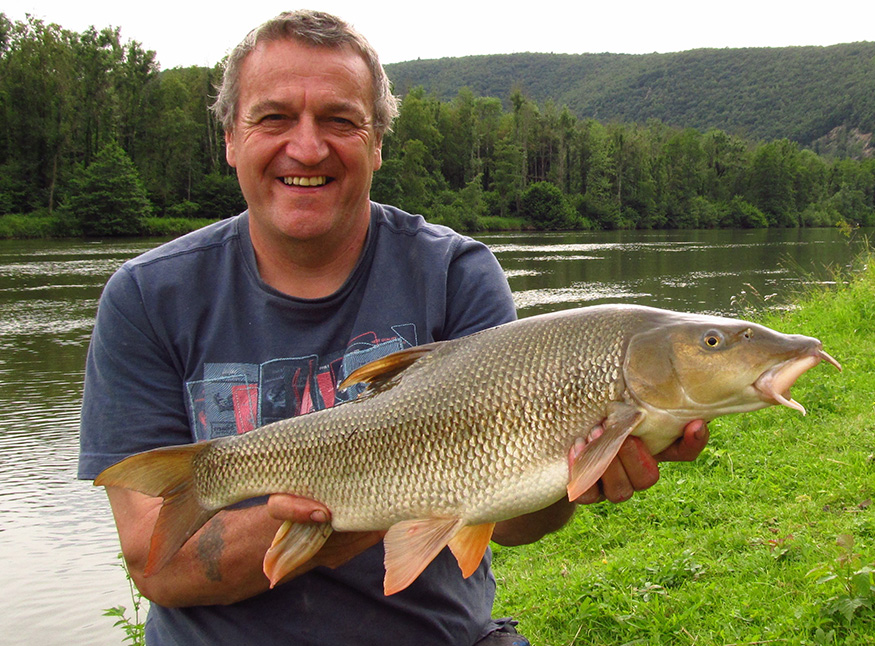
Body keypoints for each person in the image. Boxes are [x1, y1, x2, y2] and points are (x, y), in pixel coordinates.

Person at [78, 10, 708, 645]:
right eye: (273, 118)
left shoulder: (454, 272)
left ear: (376, 142)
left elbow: (512, 523)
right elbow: (161, 568)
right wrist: (352, 512)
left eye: (339, 120)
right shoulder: (146, 297)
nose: (306, 147)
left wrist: (574, 479)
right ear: (231, 140)